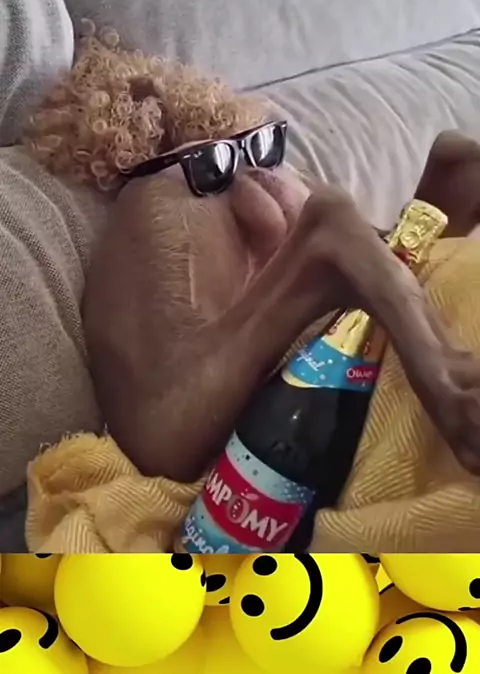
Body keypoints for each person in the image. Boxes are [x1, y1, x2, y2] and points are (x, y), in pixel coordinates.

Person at [24, 30, 480, 486]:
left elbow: (161, 438)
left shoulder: (160, 192)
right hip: (328, 294)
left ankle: (440, 357)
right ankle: (448, 192)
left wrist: (438, 368)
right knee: (379, 252)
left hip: (297, 328)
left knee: (162, 436)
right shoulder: (262, 166)